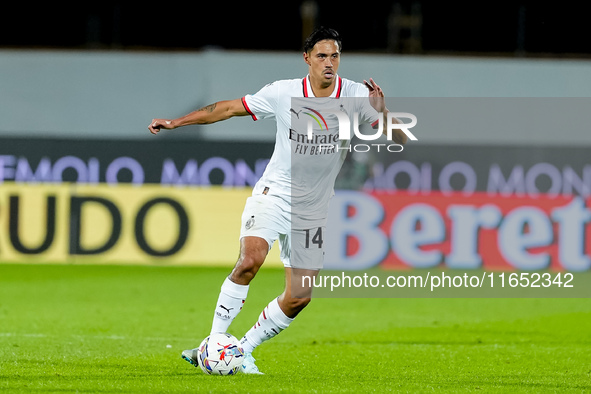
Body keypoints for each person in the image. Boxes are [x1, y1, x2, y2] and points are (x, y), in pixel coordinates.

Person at [148, 26, 407, 374]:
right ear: (307, 59)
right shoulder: (284, 93)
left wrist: (383, 110)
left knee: (300, 296)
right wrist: (176, 122)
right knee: (249, 261)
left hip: (313, 210)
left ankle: (243, 348)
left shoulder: (358, 95)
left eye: (335, 56)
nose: (329, 63)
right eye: (321, 56)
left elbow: (401, 139)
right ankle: (213, 343)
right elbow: (227, 109)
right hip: (274, 195)